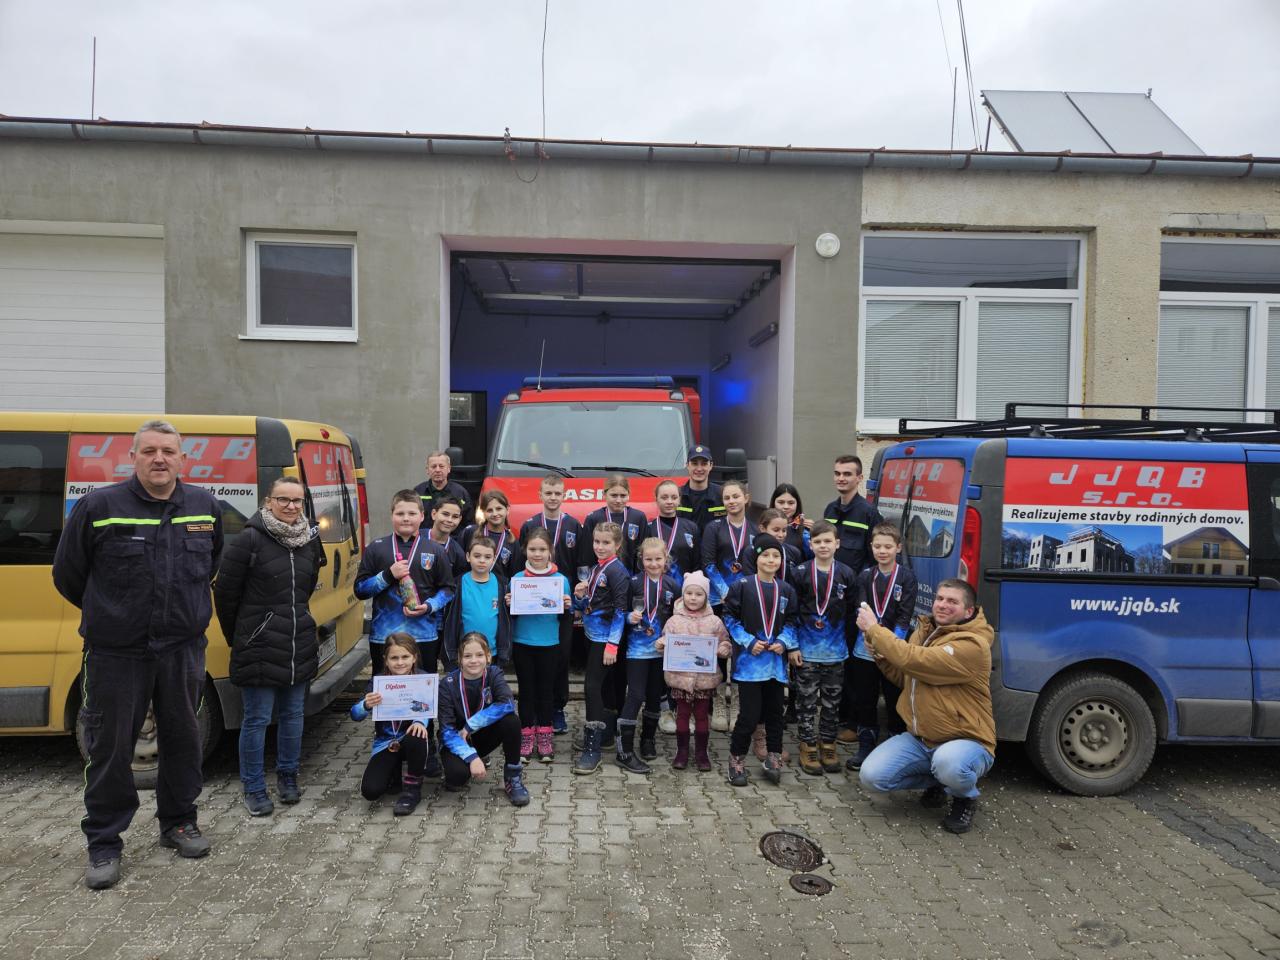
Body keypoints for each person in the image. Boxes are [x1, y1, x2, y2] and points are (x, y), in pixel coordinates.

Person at [52, 419, 223, 890]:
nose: (159, 459)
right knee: (109, 747)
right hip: (116, 653)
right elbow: (68, 575)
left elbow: (212, 564)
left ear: (183, 459)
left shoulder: (204, 507)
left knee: (183, 739)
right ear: (133, 457)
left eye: (168, 451)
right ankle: (104, 842)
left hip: (182, 650)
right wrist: (114, 614)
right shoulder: (99, 507)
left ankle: (179, 822)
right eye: (149, 451)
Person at [214, 475, 327, 816]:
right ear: (268, 502)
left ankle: (288, 778)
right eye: (283, 499)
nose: (291, 506)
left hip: (297, 643)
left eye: (297, 500)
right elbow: (225, 595)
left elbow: (305, 589)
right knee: (257, 719)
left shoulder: (309, 540)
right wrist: (243, 637)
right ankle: (254, 788)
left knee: (293, 716)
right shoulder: (248, 540)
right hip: (258, 646)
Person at [856, 578, 996, 834]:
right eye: (939, 598)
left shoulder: (973, 645)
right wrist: (880, 656)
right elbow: (906, 676)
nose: (942, 605)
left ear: (969, 611)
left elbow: (914, 659)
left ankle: (964, 796)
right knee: (872, 777)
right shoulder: (926, 630)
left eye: (952, 601)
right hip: (921, 739)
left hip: (966, 741)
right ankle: (940, 782)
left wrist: (875, 630)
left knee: (949, 763)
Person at [722, 535, 798, 786]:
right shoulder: (741, 586)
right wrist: (748, 641)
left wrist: (784, 642)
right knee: (749, 715)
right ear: (756, 559)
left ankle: (773, 757)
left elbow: (792, 621)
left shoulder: (786, 590)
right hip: (749, 666)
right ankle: (736, 759)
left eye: (776, 556)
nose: (771, 560)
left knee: (776, 714)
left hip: (775, 665)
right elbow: (729, 618)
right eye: (765, 555)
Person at [355, 490, 455, 678]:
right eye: (400, 513)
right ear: (391, 515)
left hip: (424, 635)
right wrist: (387, 575)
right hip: (384, 636)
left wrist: (430, 606)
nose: (406, 518)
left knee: (423, 689)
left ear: (422, 516)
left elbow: (449, 589)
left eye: (412, 513)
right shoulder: (376, 548)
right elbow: (360, 590)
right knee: (385, 689)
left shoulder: (435, 550)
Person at [818, 455, 883, 743]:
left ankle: (855, 723)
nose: (841, 478)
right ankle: (839, 715)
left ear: (859, 478)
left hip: (855, 601)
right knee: (837, 660)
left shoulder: (869, 514)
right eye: (837, 473)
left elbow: (873, 560)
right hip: (830, 600)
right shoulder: (830, 509)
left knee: (856, 666)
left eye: (847, 474)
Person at [789, 520, 858, 777]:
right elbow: (790, 612)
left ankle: (828, 744)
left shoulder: (847, 574)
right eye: (817, 541)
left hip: (835, 652)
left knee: (831, 702)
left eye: (828, 541)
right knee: (806, 701)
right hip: (806, 650)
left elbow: (852, 612)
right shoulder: (800, 573)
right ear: (810, 544)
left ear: (837, 544)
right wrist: (792, 645)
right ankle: (807, 745)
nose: (823, 546)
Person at [847, 523, 915, 772]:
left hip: (894, 648)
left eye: (888, 546)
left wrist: (890, 645)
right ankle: (866, 744)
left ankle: (896, 747)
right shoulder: (865, 576)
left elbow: (905, 616)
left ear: (898, 548)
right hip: (865, 647)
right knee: (865, 697)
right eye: (878, 546)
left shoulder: (907, 577)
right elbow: (861, 608)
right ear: (871, 547)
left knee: (895, 697)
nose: (882, 551)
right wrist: (868, 637)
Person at [518, 474, 582, 735]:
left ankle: (557, 708)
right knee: (533, 661)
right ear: (540, 495)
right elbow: (520, 566)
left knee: (560, 658)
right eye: (549, 493)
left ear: (564, 495)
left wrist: (574, 600)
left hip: (562, 604)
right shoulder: (530, 525)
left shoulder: (574, 525)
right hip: (532, 606)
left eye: (557, 493)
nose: (553, 497)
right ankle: (533, 711)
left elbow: (580, 565)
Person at [438, 632, 530, 806]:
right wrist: (472, 757)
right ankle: (471, 760)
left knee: (511, 721)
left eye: (479, 655)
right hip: (457, 739)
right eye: (467, 656)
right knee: (457, 777)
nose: (474, 660)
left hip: (480, 734)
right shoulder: (447, 684)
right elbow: (446, 731)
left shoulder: (494, 674)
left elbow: (507, 703)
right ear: (459, 658)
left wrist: (470, 725)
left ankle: (513, 777)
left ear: (488, 657)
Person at [616, 538, 680, 774]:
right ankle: (624, 751)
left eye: (658, 559)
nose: (653, 563)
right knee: (635, 695)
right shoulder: (633, 583)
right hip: (637, 651)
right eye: (648, 559)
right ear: (641, 559)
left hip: (661, 651)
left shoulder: (673, 585)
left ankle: (648, 740)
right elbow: (620, 612)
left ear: (666, 559)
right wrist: (628, 617)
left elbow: (678, 618)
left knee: (655, 695)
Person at [350, 633, 432, 816]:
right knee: (371, 791)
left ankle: (412, 790)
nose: (400, 662)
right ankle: (393, 774)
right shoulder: (378, 682)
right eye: (394, 658)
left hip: (412, 740)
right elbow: (355, 715)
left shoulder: (423, 679)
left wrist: (420, 721)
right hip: (386, 742)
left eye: (405, 657)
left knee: (417, 735)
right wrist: (365, 705)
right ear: (386, 660)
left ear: (414, 658)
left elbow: (428, 708)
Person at [570, 522, 629, 774]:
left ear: (618, 544)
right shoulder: (597, 567)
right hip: (591, 634)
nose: (600, 547)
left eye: (606, 543)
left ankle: (592, 749)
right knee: (604, 686)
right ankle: (605, 736)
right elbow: (591, 605)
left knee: (592, 687)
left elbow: (621, 611)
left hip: (605, 639)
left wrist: (612, 645)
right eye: (597, 542)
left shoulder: (617, 571)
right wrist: (580, 597)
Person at [657, 572, 731, 771]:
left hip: (704, 679)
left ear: (706, 596)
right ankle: (682, 751)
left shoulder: (714, 621)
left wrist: (724, 649)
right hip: (680, 679)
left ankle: (701, 753)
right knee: (682, 715)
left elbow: (725, 641)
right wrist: (662, 644)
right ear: (683, 595)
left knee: (701, 716)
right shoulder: (674, 621)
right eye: (689, 593)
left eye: (699, 594)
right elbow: (666, 639)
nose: (693, 598)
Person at [509, 528, 571, 763]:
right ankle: (526, 735)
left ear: (550, 551)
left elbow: (565, 619)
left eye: (542, 549)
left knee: (546, 691)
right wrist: (509, 605)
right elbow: (512, 616)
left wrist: (567, 607)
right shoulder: (517, 579)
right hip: (522, 643)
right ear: (525, 550)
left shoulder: (561, 581)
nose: (537, 554)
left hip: (549, 643)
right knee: (526, 691)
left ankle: (545, 735)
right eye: (533, 549)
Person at [701, 478, 756, 731]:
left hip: (747, 600)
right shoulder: (714, 528)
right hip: (719, 598)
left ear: (746, 498)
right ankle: (719, 701)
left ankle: (737, 701)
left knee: (741, 648)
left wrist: (744, 593)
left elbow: (758, 566)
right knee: (720, 648)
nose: (731, 501)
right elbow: (708, 562)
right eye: (727, 498)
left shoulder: (755, 529)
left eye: (736, 496)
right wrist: (725, 591)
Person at [441, 536, 513, 667]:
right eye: (477, 556)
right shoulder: (456, 584)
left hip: (492, 653)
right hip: (464, 653)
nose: (482, 560)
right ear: (468, 557)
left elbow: (507, 619)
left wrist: (512, 605)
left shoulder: (502, 585)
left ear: (494, 559)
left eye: (487, 557)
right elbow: (449, 620)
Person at [581, 473, 647, 574]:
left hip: (631, 576)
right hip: (601, 577)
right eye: (614, 495)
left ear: (628, 495)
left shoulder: (638, 517)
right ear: (604, 495)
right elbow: (587, 555)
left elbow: (643, 552)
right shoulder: (593, 518)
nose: (618, 500)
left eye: (623, 496)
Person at [461, 490, 524, 580]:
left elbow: (514, 575)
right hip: (470, 586)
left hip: (498, 588)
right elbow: (459, 564)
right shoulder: (470, 532)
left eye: (499, 509)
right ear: (483, 512)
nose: (495, 514)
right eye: (489, 510)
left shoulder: (512, 541)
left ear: (507, 509)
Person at [649, 479, 700, 586]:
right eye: (664, 497)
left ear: (679, 500)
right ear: (656, 499)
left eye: (674, 497)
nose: (669, 501)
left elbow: (697, 563)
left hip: (684, 587)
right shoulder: (649, 528)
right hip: (655, 586)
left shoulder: (691, 527)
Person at [413, 450, 471, 525]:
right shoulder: (418, 492)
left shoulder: (460, 493)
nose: (437, 470)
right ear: (427, 470)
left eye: (441, 466)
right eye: (433, 466)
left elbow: (468, 522)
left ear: (449, 469)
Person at [678, 444, 724, 534]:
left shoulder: (722, 494)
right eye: (694, 463)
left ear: (711, 465)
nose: (699, 469)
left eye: (704, 464)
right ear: (687, 465)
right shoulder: (677, 495)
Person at [427, 496, 468, 578]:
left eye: (455, 517)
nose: (449, 520)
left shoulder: (458, 554)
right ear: (434, 514)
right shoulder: (416, 537)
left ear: (460, 520)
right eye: (445, 514)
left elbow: (454, 582)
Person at [768, 483, 811, 559]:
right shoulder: (764, 527)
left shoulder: (805, 531)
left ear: (797, 504)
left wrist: (815, 534)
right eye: (781, 502)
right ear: (773, 503)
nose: (786, 507)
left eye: (791, 503)